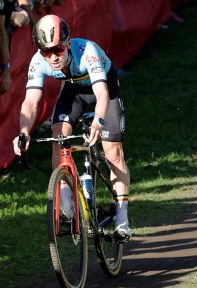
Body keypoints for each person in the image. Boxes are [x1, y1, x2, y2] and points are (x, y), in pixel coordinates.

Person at [13, 15, 131, 239]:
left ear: (67, 44)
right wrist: (24, 132)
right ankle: (66, 198)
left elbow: (102, 94)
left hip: (104, 88)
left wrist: (99, 121)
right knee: (58, 137)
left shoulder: (87, 51)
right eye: (46, 51)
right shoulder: (38, 61)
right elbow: (30, 102)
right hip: (73, 90)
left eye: (57, 49)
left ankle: (122, 216)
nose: (53, 57)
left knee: (112, 151)